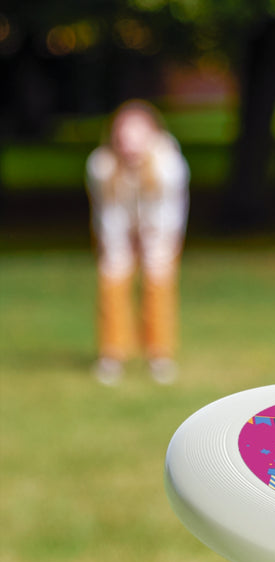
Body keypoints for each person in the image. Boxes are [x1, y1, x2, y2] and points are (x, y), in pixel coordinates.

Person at [86, 99, 190, 385]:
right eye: (123, 134)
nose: (129, 142)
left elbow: (169, 212)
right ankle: (112, 354)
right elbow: (108, 212)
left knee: (158, 283)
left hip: (159, 230)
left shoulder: (169, 165)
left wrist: (153, 243)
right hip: (117, 229)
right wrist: (118, 247)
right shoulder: (101, 165)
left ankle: (159, 354)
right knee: (112, 280)